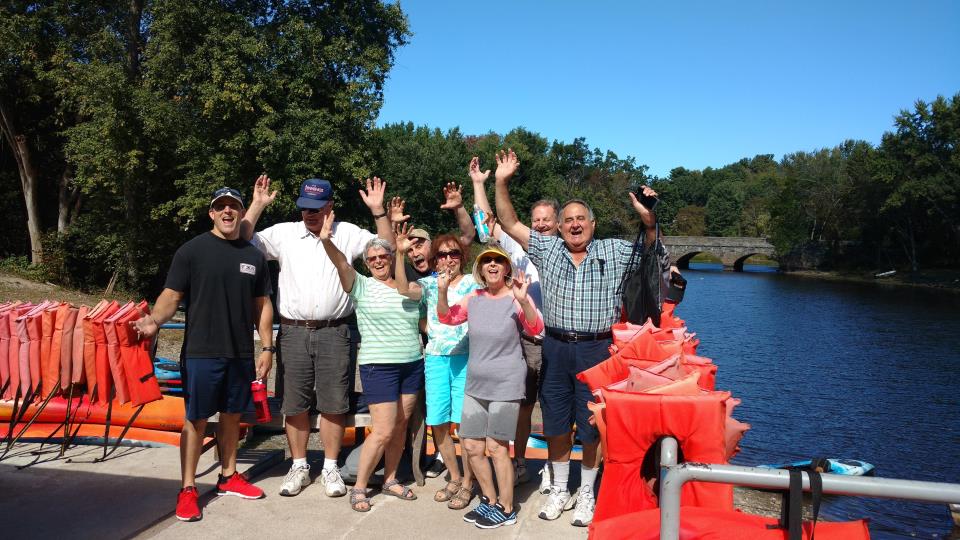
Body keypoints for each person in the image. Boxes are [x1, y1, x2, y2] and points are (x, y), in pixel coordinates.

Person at [493, 149, 669, 527]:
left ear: (593, 223)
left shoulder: (615, 250)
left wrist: (648, 218)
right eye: (568, 220)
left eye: (581, 219)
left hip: (597, 349)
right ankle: (560, 488)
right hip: (556, 347)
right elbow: (508, 222)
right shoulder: (548, 249)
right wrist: (501, 182)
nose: (574, 225)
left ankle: (586, 492)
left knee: (591, 427)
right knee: (555, 425)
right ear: (559, 227)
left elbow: (654, 253)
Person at [239, 175, 394, 498]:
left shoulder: (347, 233)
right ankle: (299, 465)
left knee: (334, 403)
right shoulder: (284, 233)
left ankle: (330, 467)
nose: (309, 214)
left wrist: (379, 211)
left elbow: (386, 247)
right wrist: (256, 205)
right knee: (294, 404)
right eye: (304, 208)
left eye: (316, 208)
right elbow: (241, 238)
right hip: (293, 330)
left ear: (330, 206)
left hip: (335, 330)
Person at [133, 187, 274, 522]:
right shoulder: (192, 251)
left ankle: (228, 476)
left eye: (233, 207)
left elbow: (263, 305)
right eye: (220, 207)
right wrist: (154, 319)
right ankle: (187, 489)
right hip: (201, 352)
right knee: (196, 420)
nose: (227, 212)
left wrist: (266, 346)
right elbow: (171, 294)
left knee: (231, 417)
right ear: (211, 213)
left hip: (240, 353)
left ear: (241, 213)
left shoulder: (253, 256)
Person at [317, 211, 423, 512]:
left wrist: (401, 255)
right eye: (372, 257)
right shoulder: (361, 285)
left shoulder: (413, 287)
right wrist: (326, 242)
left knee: (401, 426)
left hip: (411, 363)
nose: (378, 261)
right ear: (367, 263)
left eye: (383, 256)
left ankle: (389, 479)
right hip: (379, 366)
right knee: (384, 430)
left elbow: (410, 295)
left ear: (391, 258)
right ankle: (361, 487)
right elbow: (340, 263)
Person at [468, 154, 559, 489]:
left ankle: (554, 466)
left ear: (559, 224)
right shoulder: (518, 250)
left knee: (556, 407)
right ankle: (519, 462)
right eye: (535, 220)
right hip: (527, 342)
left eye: (546, 220)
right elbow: (485, 225)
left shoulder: (566, 251)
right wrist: (479, 184)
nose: (539, 225)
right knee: (523, 408)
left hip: (560, 340)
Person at [437, 244, 544, 529]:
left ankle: (507, 508)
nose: (493, 265)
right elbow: (446, 318)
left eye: (499, 260)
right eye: (488, 261)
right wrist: (442, 290)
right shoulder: (474, 298)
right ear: (481, 269)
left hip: (506, 383)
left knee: (497, 448)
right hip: (476, 384)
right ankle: (490, 500)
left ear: (507, 267)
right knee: (471, 446)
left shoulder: (515, 297)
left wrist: (523, 301)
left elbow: (537, 329)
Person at [395, 223, 479, 511]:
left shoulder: (472, 282)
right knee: (439, 423)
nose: (447, 259)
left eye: (453, 254)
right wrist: (399, 253)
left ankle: (469, 482)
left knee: (466, 426)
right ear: (435, 260)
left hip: (465, 358)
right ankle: (455, 477)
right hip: (435, 359)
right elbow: (404, 288)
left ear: (462, 257)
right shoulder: (429, 284)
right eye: (442, 255)